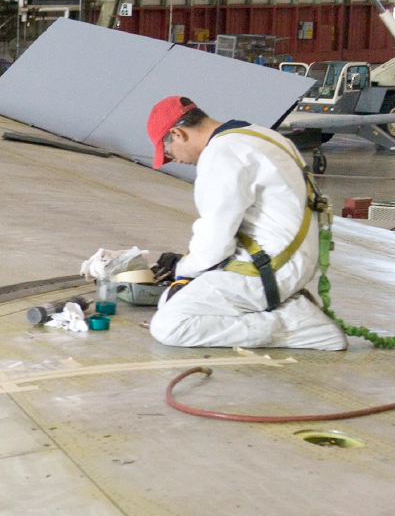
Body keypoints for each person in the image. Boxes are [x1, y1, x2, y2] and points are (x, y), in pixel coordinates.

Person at [144, 94, 346, 350]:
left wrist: (183, 272)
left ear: (177, 133)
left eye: (170, 153)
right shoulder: (260, 136)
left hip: (269, 269)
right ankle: (288, 307)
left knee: (170, 324)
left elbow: (214, 244)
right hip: (290, 260)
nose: (178, 160)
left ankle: (295, 327)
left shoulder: (222, 154)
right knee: (174, 299)